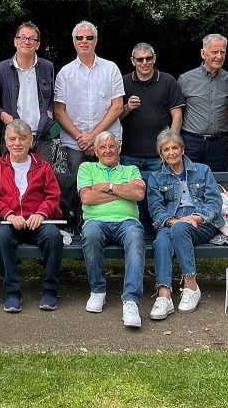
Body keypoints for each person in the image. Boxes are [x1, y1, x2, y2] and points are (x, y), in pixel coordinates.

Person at [0, 120, 63, 313]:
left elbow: (53, 196)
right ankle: (13, 292)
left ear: (31, 141)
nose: (17, 143)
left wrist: (41, 213)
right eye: (13, 139)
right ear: (6, 142)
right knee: (0, 237)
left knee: (53, 236)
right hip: (10, 222)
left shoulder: (43, 167)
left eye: (23, 138)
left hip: (37, 222)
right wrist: (7, 213)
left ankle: (50, 290)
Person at [53, 20, 125, 231]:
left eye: (89, 37)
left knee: (111, 186)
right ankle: (80, 232)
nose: (84, 41)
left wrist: (95, 136)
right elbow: (59, 110)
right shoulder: (65, 72)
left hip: (107, 142)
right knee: (79, 188)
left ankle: (112, 229)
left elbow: (117, 106)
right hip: (76, 144)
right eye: (80, 38)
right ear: (74, 41)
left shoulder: (111, 68)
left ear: (96, 40)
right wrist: (81, 137)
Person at [146, 130, 224, 318]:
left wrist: (196, 218)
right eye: (166, 149)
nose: (171, 152)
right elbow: (156, 209)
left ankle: (191, 285)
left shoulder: (202, 170)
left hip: (202, 223)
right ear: (161, 154)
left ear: (182, 149)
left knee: (179, 229)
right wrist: (174, 221)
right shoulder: (156, 178)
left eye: (175, 147)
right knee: (162, 240)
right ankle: (164, 296)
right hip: (173, 223)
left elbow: (214, 203)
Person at [78, 131, 146, 328]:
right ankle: (98, 291)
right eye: (103, 147)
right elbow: (87, 198)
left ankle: (131, 300)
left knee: (135, 234)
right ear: (96, 151)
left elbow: (139, 193)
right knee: (90, 233)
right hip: (95, 221)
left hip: (127, 222)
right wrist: (123, 192)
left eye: (112, 146)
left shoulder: (131, 169)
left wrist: (106, 186)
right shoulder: (87, 168)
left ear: (119, 149)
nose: (108, 150)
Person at [120, 42, 185, 233]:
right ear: (133, 61)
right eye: (140, 59)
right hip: (129, 152)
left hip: (159, 154)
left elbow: (177, 115)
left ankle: (160, 232)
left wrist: (170, 145)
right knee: (133, 196)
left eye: (148, 58)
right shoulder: (124, 82)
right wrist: (126, 108)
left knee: (159, 195)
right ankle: (137, 233)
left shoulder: (168, 81)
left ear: (154, 58)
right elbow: (114, 117)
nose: (144, 62)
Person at [0, 22, 57, 163]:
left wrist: (49, 114)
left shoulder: (47, 67)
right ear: (15, 42)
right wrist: (3, 115)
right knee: (12, 183)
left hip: (41, 137)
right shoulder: (1, 69)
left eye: (32, 39)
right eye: (23, 37)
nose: (27, 42)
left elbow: (52, 98)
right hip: (13, 138)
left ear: (37, 44)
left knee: (43, 182)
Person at [177, 34, 228, 172]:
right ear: (203, 53)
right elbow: (178, 112)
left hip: (218, 143)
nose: (219, 56)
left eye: (222, 52)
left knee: (217, 185)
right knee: (189, 184)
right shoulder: (185, 80)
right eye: (214, 52)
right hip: (191, 142)